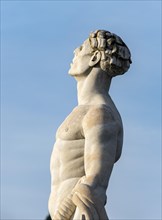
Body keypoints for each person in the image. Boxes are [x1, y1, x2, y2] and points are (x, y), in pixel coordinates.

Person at [48, 30, 132, 220]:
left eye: (81, 48)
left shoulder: (99, 113)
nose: (75, 52)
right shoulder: (84, 111)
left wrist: (63, 214)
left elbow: (95, 183)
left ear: (94, 58)